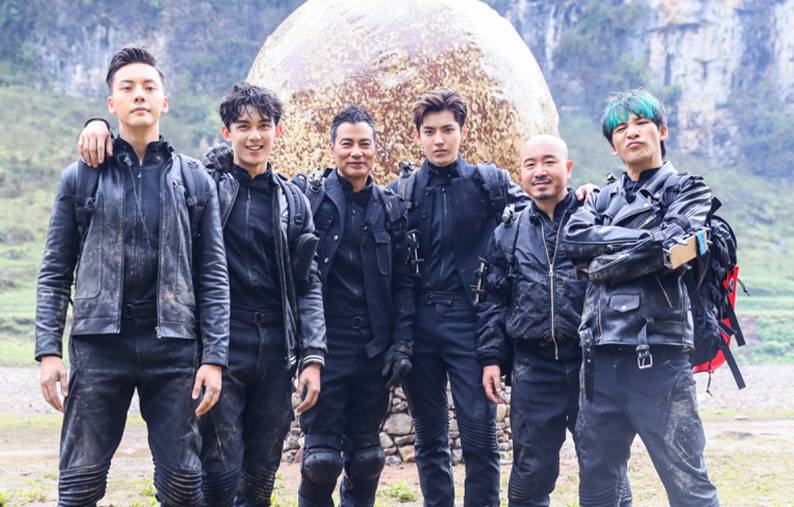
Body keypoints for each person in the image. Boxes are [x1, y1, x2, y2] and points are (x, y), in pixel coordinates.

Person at [78, 81, 327, 507]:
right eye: (243, 126)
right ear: (226, 132)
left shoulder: (294, 202)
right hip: (218, 346)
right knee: (219, 475)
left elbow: (309, 284)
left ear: (278, 131)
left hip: (276, 350)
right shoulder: (204, 186)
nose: (254, 136)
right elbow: (154, 156)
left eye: (264, 126)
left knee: (260, 478)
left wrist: (313, 356)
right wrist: (98, 124)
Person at [36, 47, 229, 506]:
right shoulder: (81, 178)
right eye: (127, 88)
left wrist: (214, 357)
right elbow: (55, 270)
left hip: (174, 346)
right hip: (100, 345)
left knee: (183, 486)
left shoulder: (194, 180)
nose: (139, 95)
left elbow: (213, 275)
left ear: (165, 101)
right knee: (79, 484)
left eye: (148, 87)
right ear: (112, 103)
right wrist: (48, 351)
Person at [564, 88, 720, 507]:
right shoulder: (601, 196)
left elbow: (671, 249)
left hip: (660, 358)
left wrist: (600, 262)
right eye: (620, 128)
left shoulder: (689, 190)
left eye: (641, 123)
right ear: (612, 146)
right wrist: (646, 243)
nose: (631, 133)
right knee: (596, 488)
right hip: (598, 361)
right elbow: (575, 241)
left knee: (689, 487)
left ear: (662, 131)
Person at [388, 89, 529, 507]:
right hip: (420, 324)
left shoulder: (489, 184)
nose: (439, 140)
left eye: (447, 130)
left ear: (462, 132)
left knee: (480, 437)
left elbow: (539, 211)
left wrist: (581, 195)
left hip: (473, 323)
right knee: (429, 438)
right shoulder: (402, 191)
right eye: (430, 131)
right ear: (418, 136)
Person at [476, 134, 631, 507]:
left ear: (568, 168)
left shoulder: (595, 218)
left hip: (592, 363)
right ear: (521, 172)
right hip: (533, 366)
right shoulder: (508, 232)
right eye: (530, 164)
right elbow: (493, 299)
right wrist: (491, 357)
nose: (540, 171)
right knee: (530, 472)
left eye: (549, 161)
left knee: (604, 468)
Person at [291, 105, 414, 507]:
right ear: (333, 148)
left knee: (367, 458)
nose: (356, 152)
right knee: (321, 460)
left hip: (372, 349)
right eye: (347, 143)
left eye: (364, 144)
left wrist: (401, 343)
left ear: (376, 149)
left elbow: (404, 282)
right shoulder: (308, 200)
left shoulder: (392, 208)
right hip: (325, 347)